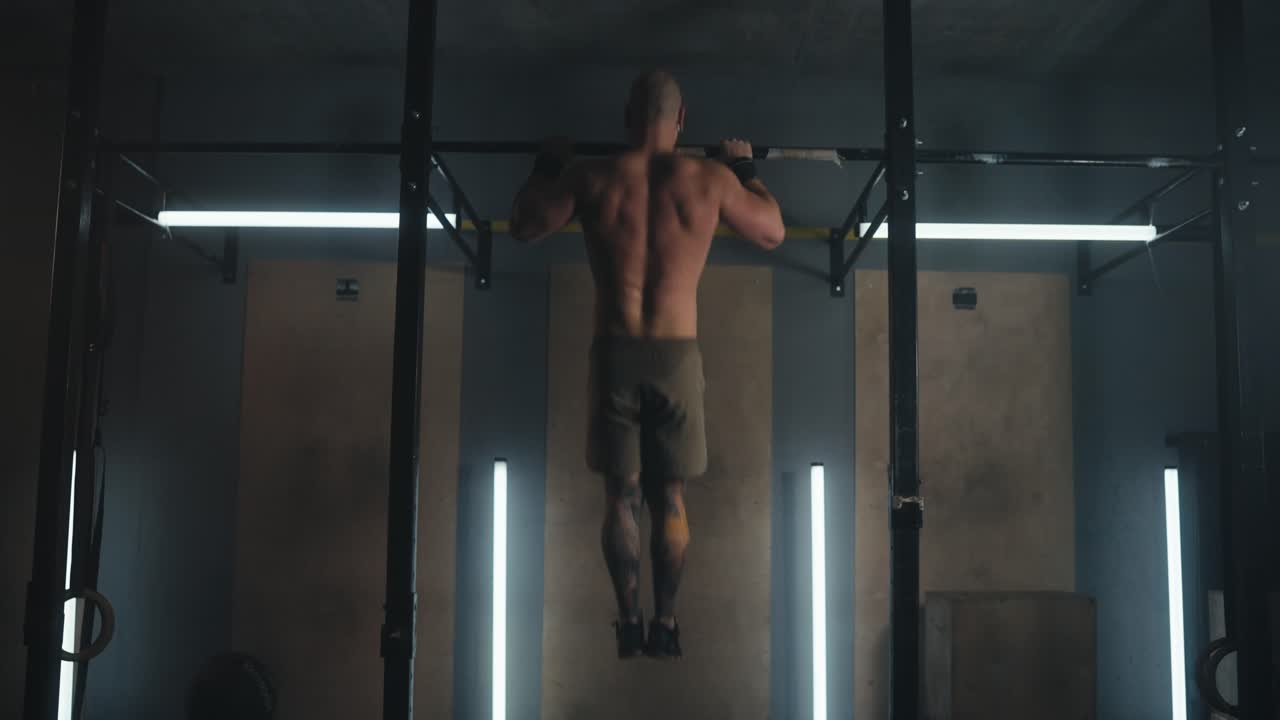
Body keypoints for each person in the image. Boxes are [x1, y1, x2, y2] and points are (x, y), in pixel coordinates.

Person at [511, 70, 785, 659]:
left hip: (614, 352)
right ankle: (666, 622)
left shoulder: (591, 176)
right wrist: (743, 167)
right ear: (682, 119)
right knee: (673, 498)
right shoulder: (708, 178)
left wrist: (547, 166)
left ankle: (628, 621)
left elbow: (525, 226)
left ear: (626, 116)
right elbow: (773, 232)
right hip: (676, 355)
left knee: (622, 497)